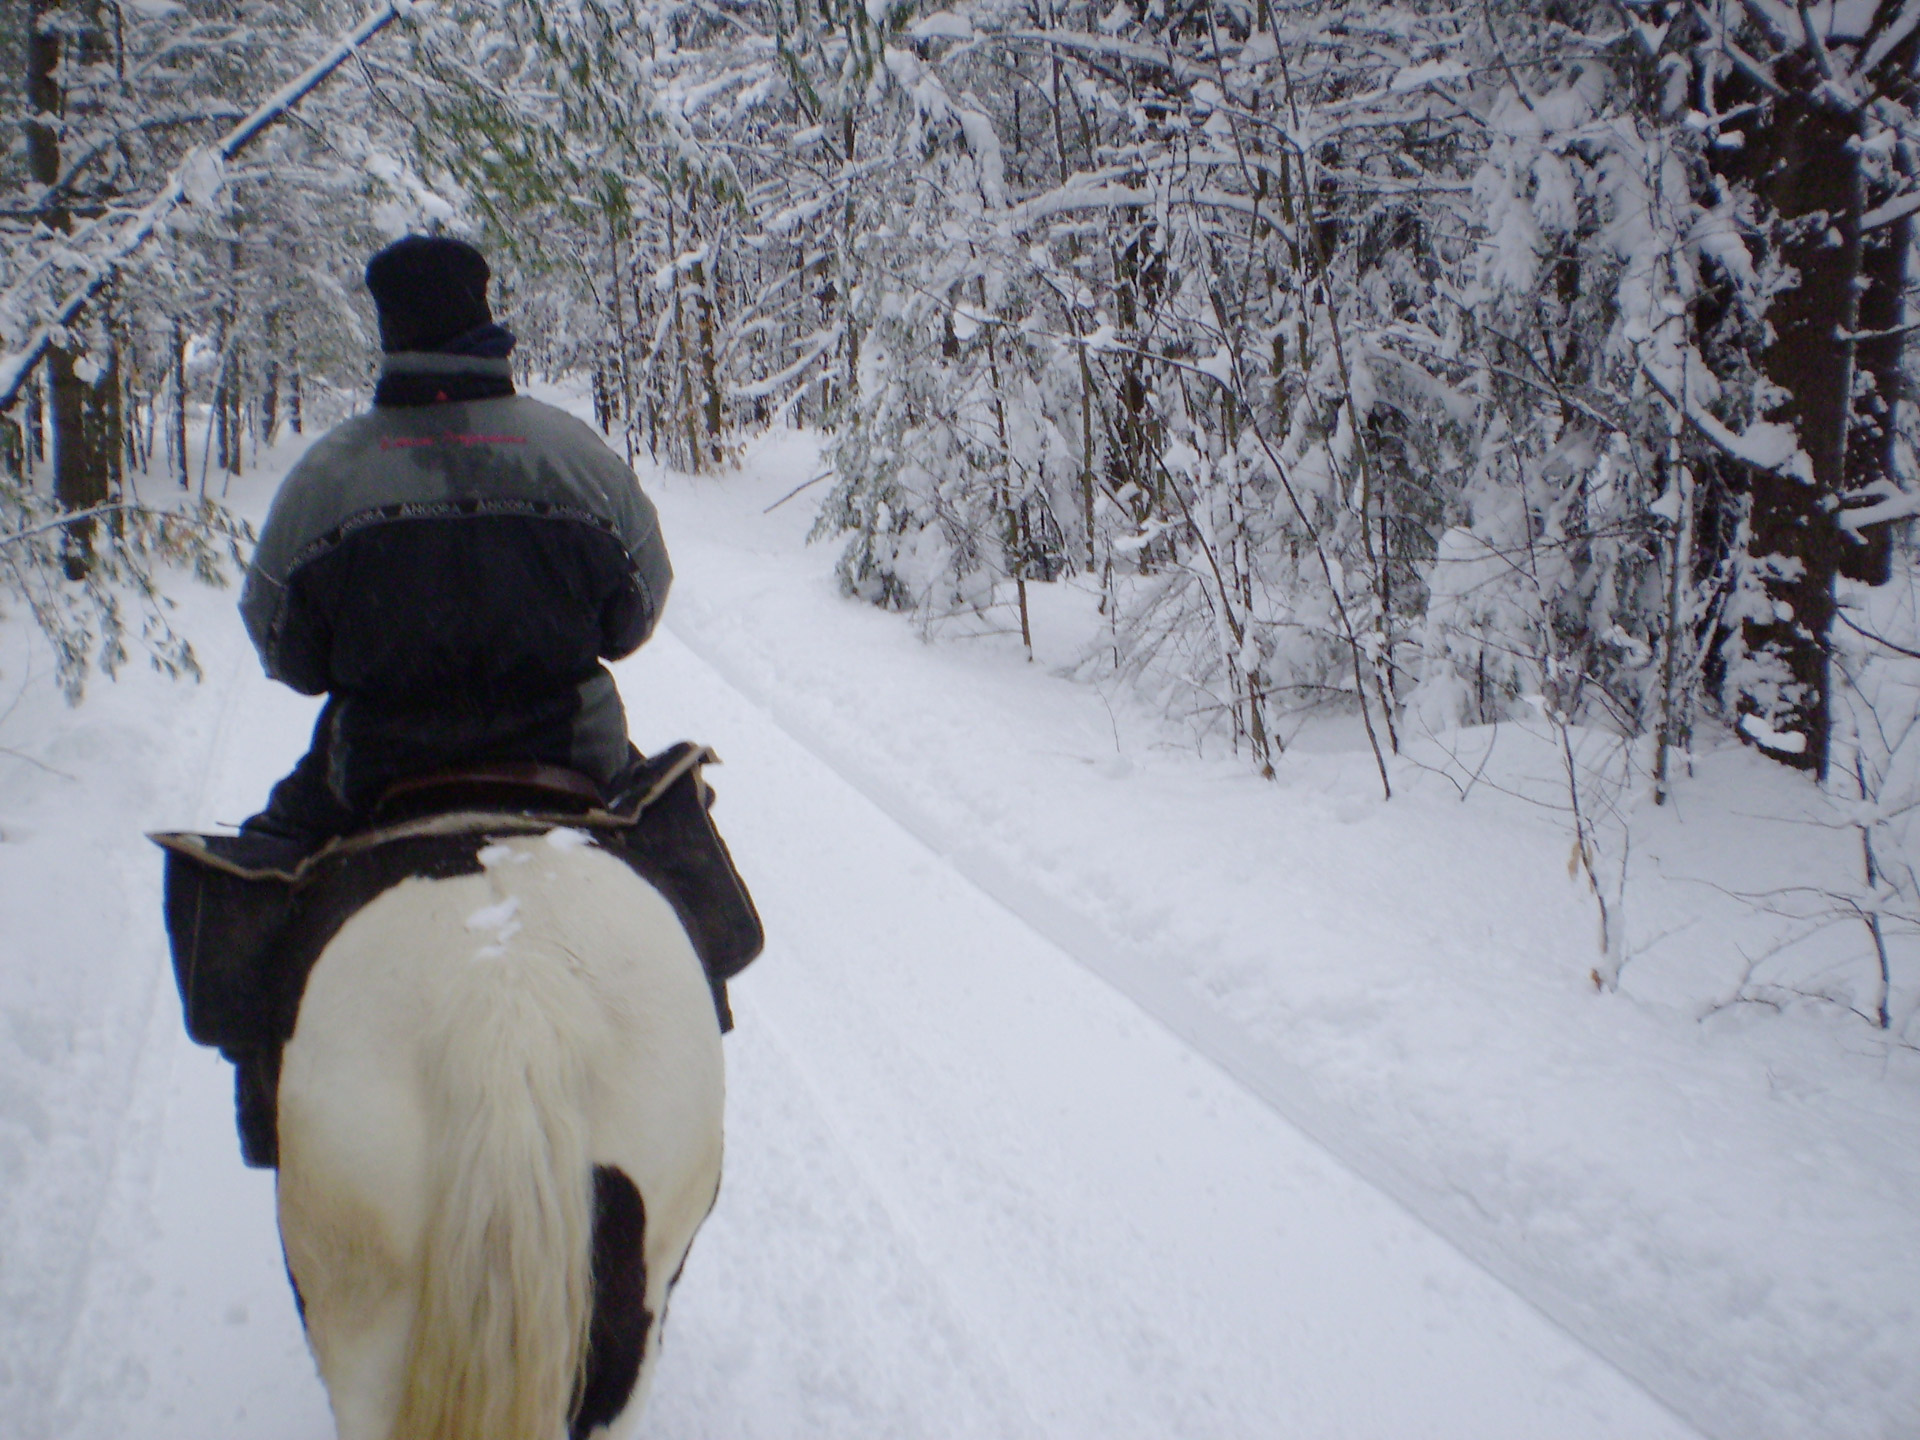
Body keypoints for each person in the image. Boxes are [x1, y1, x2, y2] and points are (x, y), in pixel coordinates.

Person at [239, 234, 671, 844]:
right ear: (482, 311)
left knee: (248, 893)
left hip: (371, 772)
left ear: (390, 327)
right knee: (685, 863)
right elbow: (636, 617)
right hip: (578, 758)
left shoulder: (326, 477)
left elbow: (288, 655)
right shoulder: (578, 457)